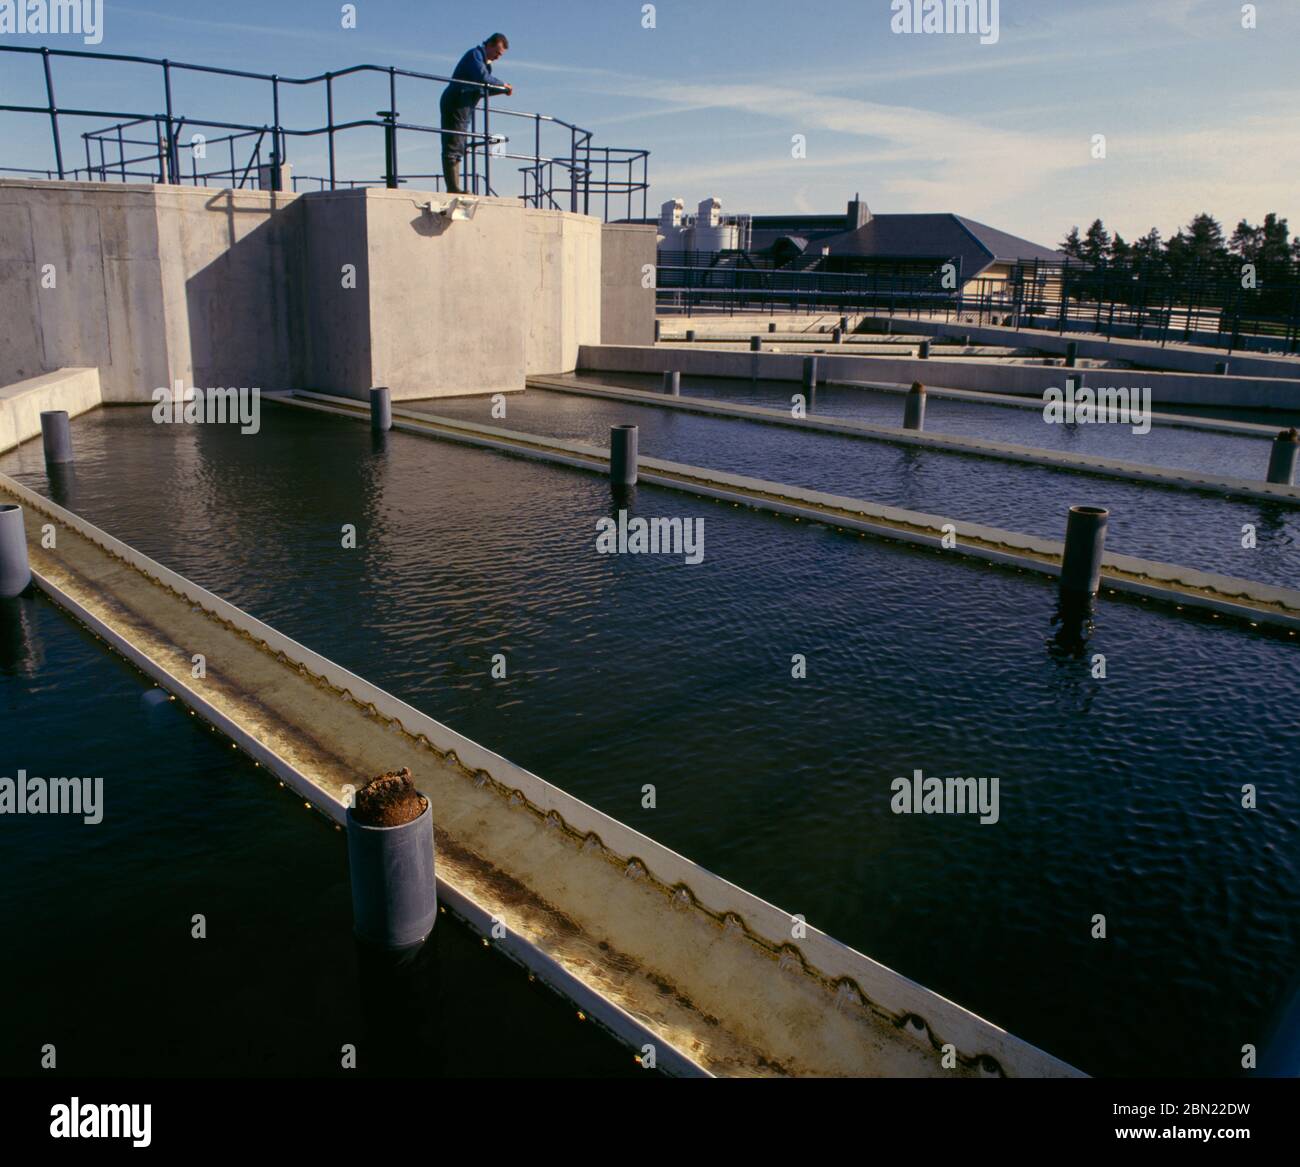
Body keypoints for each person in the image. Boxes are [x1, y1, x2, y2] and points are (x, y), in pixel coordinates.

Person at [440, 33, 512, 195]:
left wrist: (501, 90)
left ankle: (454, 187)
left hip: (466, 105)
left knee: (460, 143)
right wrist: (502, 85)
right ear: (490, 45)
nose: (498, 57)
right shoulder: (475, 55)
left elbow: (482, 88)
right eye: (497, 53)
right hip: (457, 102)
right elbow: (482, 78)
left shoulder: (484, 63)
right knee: (454, 143)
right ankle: (453, 188)